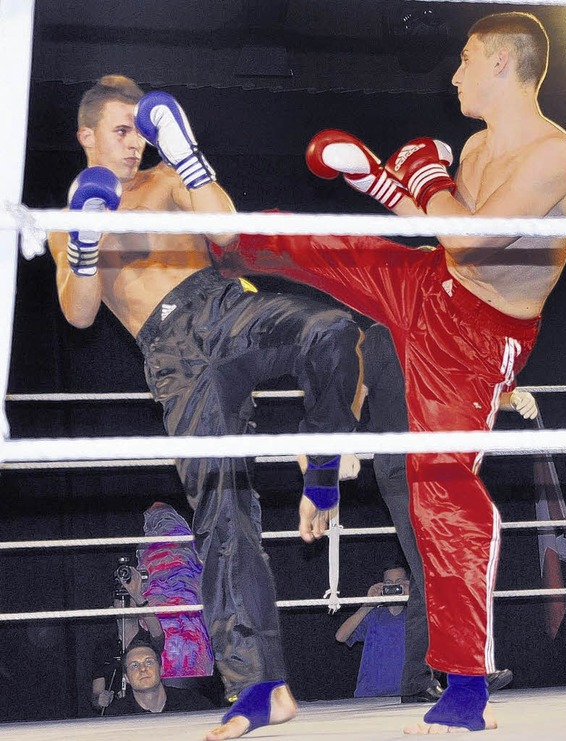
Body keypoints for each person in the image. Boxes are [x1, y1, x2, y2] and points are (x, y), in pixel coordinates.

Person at [218, 11, 566, 733]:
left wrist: (416, 177)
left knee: (440, 492)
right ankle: (208, 243)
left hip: (480, 338)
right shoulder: (476, 147)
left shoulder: (554, 154)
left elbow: (471, 236)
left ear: (501, 63)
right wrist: (404, 187)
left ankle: (467, 686)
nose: (453, 75)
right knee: (328, 244)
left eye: (465, 60)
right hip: (431, 283)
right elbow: (450, 237)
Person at [47, 75, 366, 739]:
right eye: (120, 130)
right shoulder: (77, 213)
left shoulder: (165, 179)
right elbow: (77, 313)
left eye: (142, 129)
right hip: (170, 356)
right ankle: (259, 688)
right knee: (223, 515)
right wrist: (85, 241)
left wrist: (187, 157)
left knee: (332, 333)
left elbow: (224, 230)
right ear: (86, 135)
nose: (135, 143)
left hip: (221, 308)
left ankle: (324, 464)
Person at [360, 324, 535, 704]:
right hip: (400, 464)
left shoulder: (447, 330)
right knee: (430, 570)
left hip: (445, 461)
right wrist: (335, 447)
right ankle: (451, 674)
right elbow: (354, 392)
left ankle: (442, 676)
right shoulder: (379, 333)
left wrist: (513, 396)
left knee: (456, 564)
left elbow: (481, 386)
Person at [91, 564, 165, 714]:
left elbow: (158, 632)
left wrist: (137, 595)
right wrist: (100, 700)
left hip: (146, 711)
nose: (125, 603)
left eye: (129, 599)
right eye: (120, 599)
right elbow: (96, 694)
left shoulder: (147, 640)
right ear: (112, 608)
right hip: (118, 714)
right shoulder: (104, 646)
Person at [335, 562, 411, 698]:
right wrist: (368, 604)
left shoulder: (417, 616)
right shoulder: (373, 615)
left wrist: (413, 597)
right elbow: (340, 636)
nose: (393, 587)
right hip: (369, 696)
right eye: (389, 583)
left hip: (406, 694)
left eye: (399, 582)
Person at [104, 640, 213, 715]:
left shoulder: (193, 704)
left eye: (149, 662)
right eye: (134, 665)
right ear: (126, 678)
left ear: (161, 669)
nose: (143, 669)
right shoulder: (117, 715)